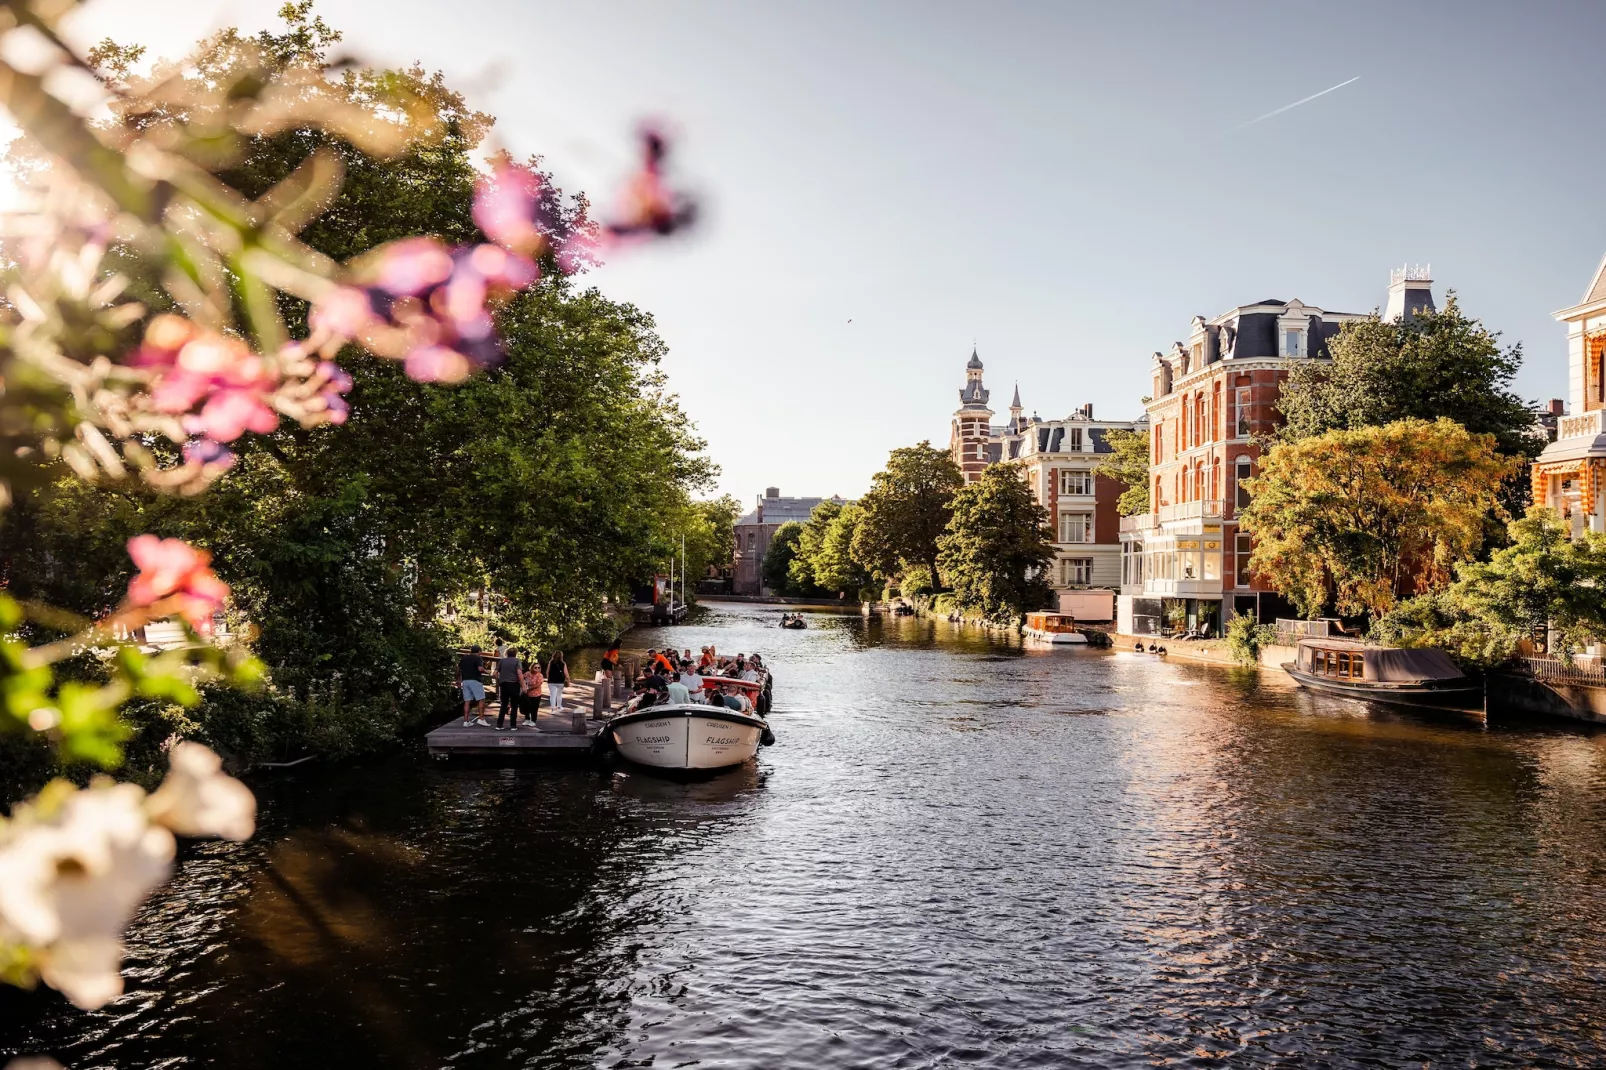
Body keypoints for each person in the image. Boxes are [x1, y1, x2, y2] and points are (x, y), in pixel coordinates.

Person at [458, 645, 489, 727]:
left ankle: (466, 721)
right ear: (479, 651)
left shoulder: (464, 658)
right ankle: (481, 719)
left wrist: (457, 680)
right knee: (481, 699)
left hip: (465, 681)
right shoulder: (478, 658)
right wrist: (487, 672)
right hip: (475, 680)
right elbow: (480, 669)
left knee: (467, 701)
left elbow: (457, 669)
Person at [495, 645, 523, 730]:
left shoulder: (502, 661)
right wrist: (523, 685)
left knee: (503, 705)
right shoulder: (517, 661)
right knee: (514, 705)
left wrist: (499, 680)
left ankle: (499, 725)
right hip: (514, 684)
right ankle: (513, 726)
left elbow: (494, 673)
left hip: (504, 685)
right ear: (515, 654)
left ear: (506, 653)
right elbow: (519, 673)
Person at [520, 656, 544, 729]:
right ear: (532, 667)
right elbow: (522, 679)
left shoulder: (540, 675)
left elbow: (538, 684)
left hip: (536, 694)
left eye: (538, 668)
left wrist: (528, 688)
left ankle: (533, 720)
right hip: (527, 694)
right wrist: (523, 686)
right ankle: (527, 719)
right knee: (527, 707)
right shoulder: (527, 673)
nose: (537, 669)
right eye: (535, 667)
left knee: (534, 708)